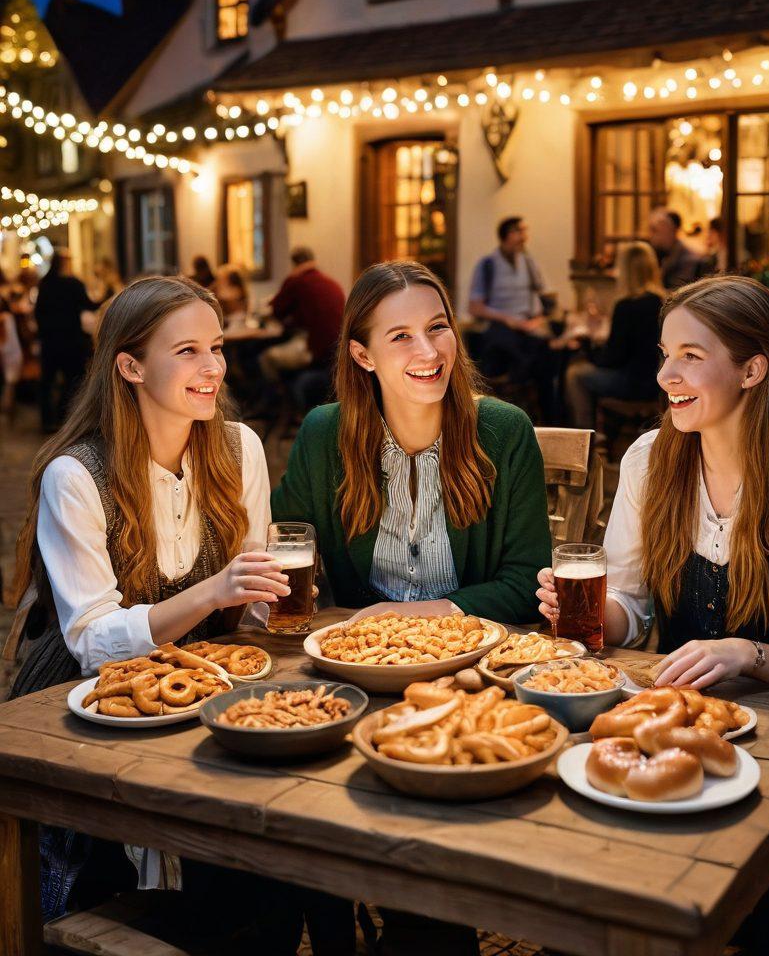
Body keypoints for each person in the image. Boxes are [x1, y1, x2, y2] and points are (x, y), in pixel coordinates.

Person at [537, 275, 769, 956]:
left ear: (753, 369)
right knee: (632, 880)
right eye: (666, 353)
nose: (667, 373)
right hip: (701, 748)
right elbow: (630, 610)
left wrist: (745, 654)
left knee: (724, 898)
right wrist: (583, 613)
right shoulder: (651, 459)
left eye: (693, 357)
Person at [8, 275, 352, 954]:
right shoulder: (75, 477)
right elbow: (92, 642)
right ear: (131, 367)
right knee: (99, 886)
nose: (214, 368)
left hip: (205, 690)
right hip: (77, 711)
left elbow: (247, 605)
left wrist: (265, 606)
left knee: (285, 844)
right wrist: (212, 593)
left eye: (217, 348)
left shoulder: (238, 447)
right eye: (188, 351)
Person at [272, 259, 551, 955]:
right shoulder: (323, 434)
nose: (429, 353)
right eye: (400, 337)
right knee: (281, 776)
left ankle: (423, 930)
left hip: (472, 676)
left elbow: (526, 581)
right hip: (355, 672)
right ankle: (329, 921)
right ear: (362, 355)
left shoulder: (503, 431)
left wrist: (416, 621)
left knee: (429, 789)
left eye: (438, 328)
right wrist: (267, 596)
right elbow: (288, 551)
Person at [564, 242, 664, 428]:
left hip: (633, 382)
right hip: (657, 381)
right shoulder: (661, 301)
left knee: (575, 374)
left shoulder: (627, 306)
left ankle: (586, 437)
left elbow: (613, 358)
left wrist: (588, 347)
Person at [468, 216, 554, 422]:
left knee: (548, 353)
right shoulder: (487, 264)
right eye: (519, 231)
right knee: (512, 348)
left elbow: (542, 296)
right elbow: (475, 307)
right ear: (506, 235)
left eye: (525, 231)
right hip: (500, 326)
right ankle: (516, 409)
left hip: (526, 326)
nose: (524, 237)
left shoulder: (529, 263)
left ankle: (549, 417)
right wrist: (508, 319)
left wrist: (538, 319)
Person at [260, 246, 345, 413]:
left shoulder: (297, 281)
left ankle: (280, 408)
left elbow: (276, 309)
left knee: (266, 359)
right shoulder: (330, 282)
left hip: (313, 349)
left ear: (294, 263)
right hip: (336, 351)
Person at [34, 248, 100, 432]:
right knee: (73, 380)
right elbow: (90, 304)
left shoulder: (45, 283)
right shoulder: (73, 284)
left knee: (47, 381)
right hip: (71, 340)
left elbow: (38, 313)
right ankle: (63, 417)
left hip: (50, 340)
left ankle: (47, 420)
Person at [648, 207, 701, 290]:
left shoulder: (687, 259)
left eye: (655, 230)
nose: (651, 235)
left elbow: (677, 292)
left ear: (671, 230)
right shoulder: (659, 253)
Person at [0, 291, 23, 416]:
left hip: (9, 355)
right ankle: (8, 409)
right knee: (10, 384)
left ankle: (8, 408)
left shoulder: (5, 318)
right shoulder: (8, 317)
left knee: (9, 384)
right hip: (13, 354)